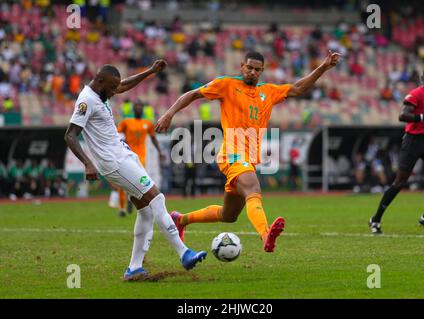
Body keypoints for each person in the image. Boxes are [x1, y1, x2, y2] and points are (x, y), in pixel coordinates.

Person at [156, 50, 340, 252]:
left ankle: (180, 220)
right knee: (253, 189)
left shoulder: (268, 91)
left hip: (249, 158)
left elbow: (298, 88)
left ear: (262, 71)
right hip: (232, 154)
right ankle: (265, 234)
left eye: (257, 69)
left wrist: (323, 67)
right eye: (249, 67)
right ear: (242, 66)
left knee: (229, 215)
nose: (252, 72)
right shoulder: (226, 85)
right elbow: (193, 94)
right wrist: (169, 114)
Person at [64, 61, 207, 282]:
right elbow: (70, 135)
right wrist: (87, 163)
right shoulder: (86, 101)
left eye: (115, 88)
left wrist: (149, 72)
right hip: (113, 162)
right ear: (100, 81)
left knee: (146, 211)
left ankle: (134, 268)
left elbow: (121, 86)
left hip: (123, 155)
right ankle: (184, 253)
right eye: (111, 88)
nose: (114, 92)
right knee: (157, 198)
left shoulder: (101, 91)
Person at [369, 65, 424, 234]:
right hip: (413, 141)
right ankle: (375, 219)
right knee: (399, 183)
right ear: (422, 77)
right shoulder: (417, 93)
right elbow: (403, 116)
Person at [114, 100, 165, 217]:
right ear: (133, 109)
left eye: (140, 107)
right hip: (127, 155)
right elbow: (116, 134)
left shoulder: (147, 124)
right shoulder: (126, 122)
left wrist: (160, 152)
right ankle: (122, 209)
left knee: (140, 181)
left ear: (142, 109)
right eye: (136, 107)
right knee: (122, 182)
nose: (139, 109)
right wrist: (121, 142)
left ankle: (134, 200)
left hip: (141, 157)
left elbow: (153, 138)